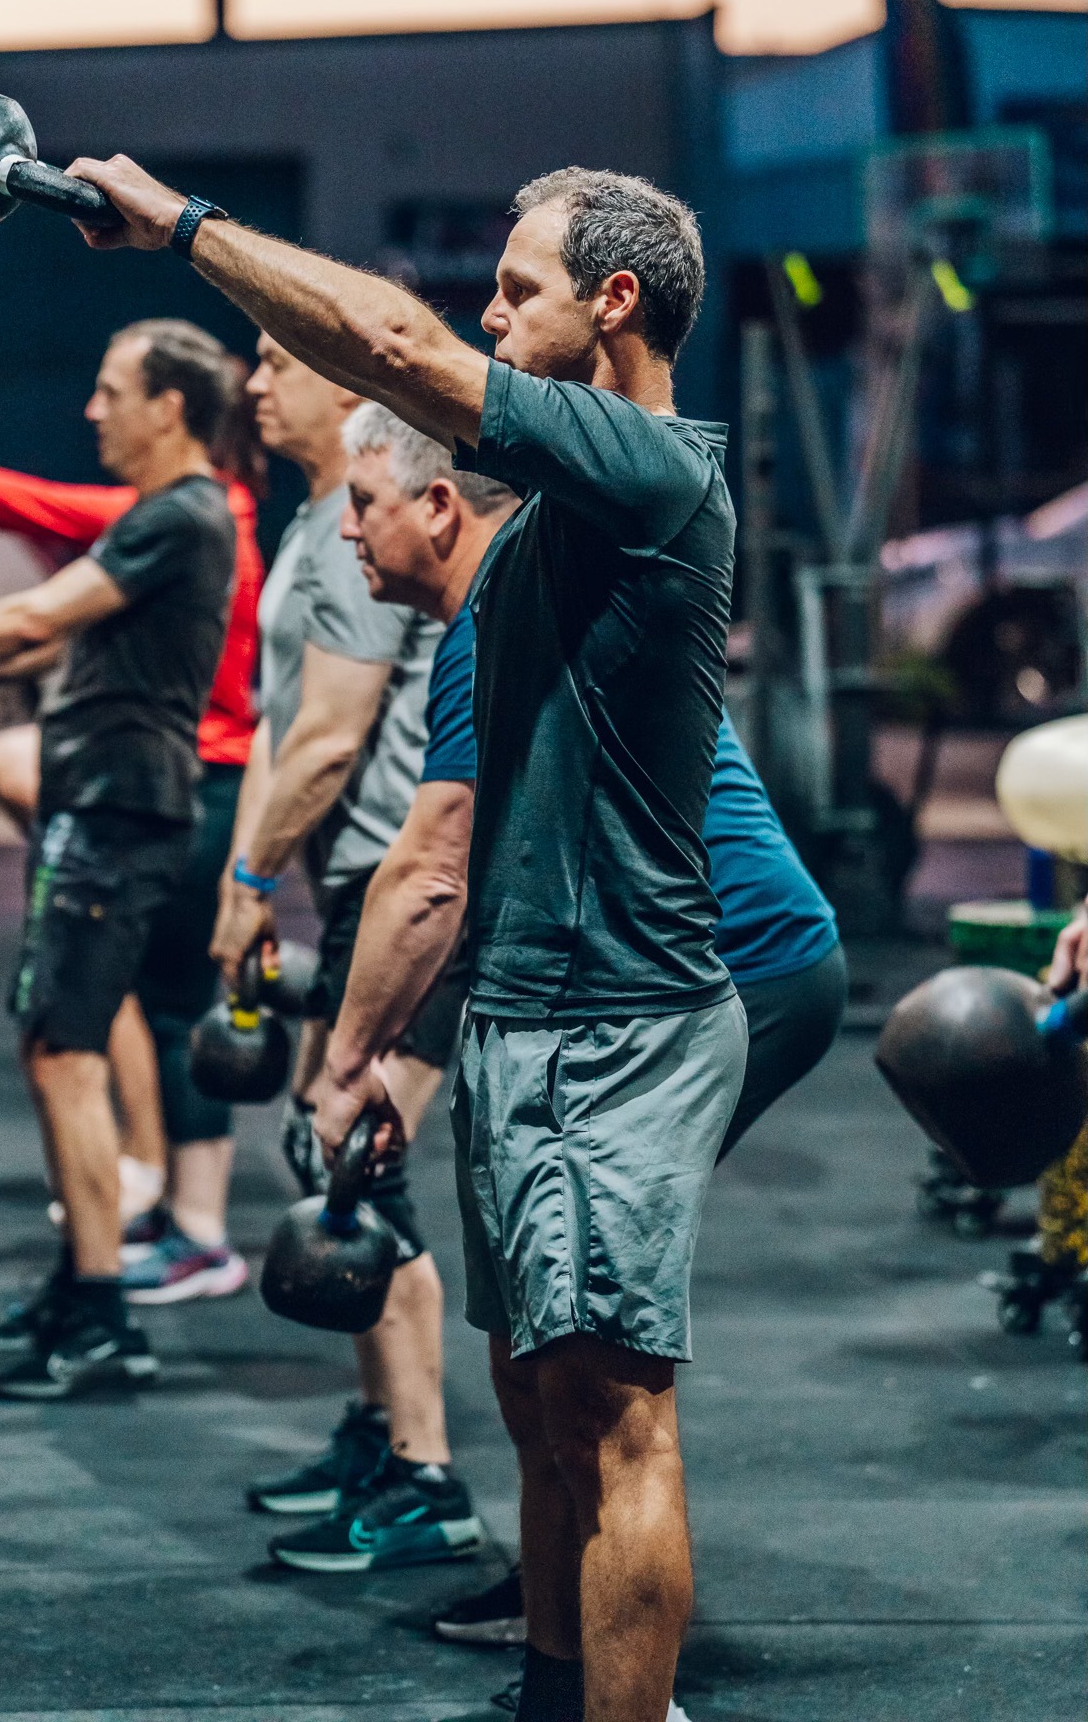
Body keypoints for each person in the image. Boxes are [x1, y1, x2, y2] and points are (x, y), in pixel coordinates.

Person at [69, 155, 746, 1722]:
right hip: (525, 1007)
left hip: (619, 1015)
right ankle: (551, 1687)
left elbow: (396, 354)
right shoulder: (537, 536)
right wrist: (407, 1042)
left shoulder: (653, 475)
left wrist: (179, 228)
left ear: (617, 304)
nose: (491, 316)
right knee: (532, 1395)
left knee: (617, 1411)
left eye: (519, 289)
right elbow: (466, 822)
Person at [270, 404, 845, 1603]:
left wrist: (346, 1062)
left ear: (439, 505)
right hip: (633, 979)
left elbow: (434, 863)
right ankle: (561, 1587)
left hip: (738, 968)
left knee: (585, 1337)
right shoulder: (494, 613)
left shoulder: (505, 611)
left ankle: (606, 1624)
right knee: (545, 1325)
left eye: (364, 506)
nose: (348, 534)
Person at [0, 319, 235, 1401]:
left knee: (71, 1053)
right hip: (95, 802)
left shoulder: (182, 512)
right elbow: (35, 640)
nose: (91, 409)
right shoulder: (152, 522)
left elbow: (35, 608)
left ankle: (107, 1314)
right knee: (51, 1046)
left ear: (169, 406)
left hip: (121, 813)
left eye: (112, 390)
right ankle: (82, 1282)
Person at [207, 334, 480, 1557]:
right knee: (324, 1148)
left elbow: (327, 735)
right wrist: (251, 873)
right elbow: (281, 723)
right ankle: (380, 1428)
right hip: (357, 876)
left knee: (364, 1170)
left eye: (277, 362)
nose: (257, 384)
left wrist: (254, 876)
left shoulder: (346, 528)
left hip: (400, 877)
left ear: (348, 386)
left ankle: (427, 1476)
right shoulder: (323, 520)